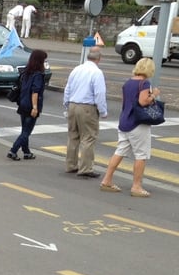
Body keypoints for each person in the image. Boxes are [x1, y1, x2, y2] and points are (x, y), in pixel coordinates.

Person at [100, 57, 160, 197]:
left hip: (125, 121)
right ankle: (136, 186)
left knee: (120, 151)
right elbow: (143, 101)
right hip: (137, 123)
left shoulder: (128, 82)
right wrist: (154, 95)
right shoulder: (145, 83)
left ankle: (106, 180)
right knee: (141, 155)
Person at [63, 46, 108, 177]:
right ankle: (86, 168)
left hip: (73, 104)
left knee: (73, 136)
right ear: (99, 59)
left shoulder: (76, 69)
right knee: (88, 138)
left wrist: (67, 105)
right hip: (87, 107)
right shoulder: (97, 73)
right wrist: (103, 111)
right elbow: (99, 94)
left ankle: (71, 165)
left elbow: (68, 89)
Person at [7, 49, 48, 161]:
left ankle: (26, 152)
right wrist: (35, 107)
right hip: (31, 106)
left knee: (24, 129)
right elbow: (35, 92)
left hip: (23, 103)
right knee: (26, 132)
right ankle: (13, 150)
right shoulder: (38, 75)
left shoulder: (26, 72)